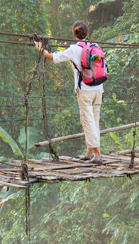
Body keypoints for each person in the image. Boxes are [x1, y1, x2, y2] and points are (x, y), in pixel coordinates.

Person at [42, 20, 104, 162]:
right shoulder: (96, 46)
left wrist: (41, 49)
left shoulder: (74, 49)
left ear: (74, 34)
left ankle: (98, 154)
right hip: (99, 88)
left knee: (88, 120)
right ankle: (89, 152)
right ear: (87, 33)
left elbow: (53, 57)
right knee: (95, 119)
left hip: (85, 90)